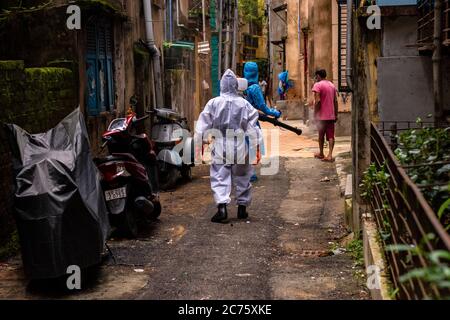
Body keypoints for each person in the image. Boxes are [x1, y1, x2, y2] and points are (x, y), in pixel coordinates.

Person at [195, 69, 262, 223]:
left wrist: (201, 143)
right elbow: (253, 128)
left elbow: (202, 125)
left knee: (219, 175)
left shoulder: (213, 103)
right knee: (243, 175)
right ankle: (242, 209)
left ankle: (222, 208)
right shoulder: (244, 104)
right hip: (239, 143)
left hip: (220, 142)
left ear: (222, 85)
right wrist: (256, 148)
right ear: (235, 85)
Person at [243, 62, 281, 182]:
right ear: (256, 73)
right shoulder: (254, 88)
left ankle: (241, 172)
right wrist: (275, 113)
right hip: (251, 122)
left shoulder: (240, 87)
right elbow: (263, 107)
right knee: (252, 147)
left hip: (238, 122)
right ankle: (251, 173)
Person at [312, 69, 338, 162]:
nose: (316, 78)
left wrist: (315, 114)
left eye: (316, 76)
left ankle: (321, 153)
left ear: (318, 76)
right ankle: (330, 155)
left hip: (321, 116)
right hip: (331, 115)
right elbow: (335, 101)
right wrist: (336, 114)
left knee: (321, 135)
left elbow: (318, 101)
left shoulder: (317, 85)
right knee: (331, 135)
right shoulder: (332, 85)